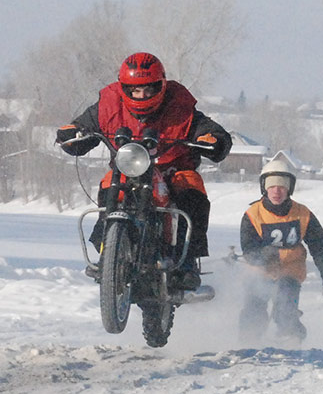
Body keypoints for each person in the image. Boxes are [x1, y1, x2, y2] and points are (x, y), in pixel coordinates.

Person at [56, 52, 232, 290]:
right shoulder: (108, 104)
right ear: (123, 88)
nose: (141, 95)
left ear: (161, 85)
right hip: (127, 169)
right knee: (109, 187)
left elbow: (207, 128)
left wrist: (213, 139)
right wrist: (72, 133)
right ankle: (107, 252)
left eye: (148, 89)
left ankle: (188, 259)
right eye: (134, 90)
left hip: (173, 168)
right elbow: (82, 126)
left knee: (192, 191)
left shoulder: (179, 105)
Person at [239, 160, 323, 343]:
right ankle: (247, 343)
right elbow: (248, 249)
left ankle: (291, 338)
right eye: (272, 185)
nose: (277, 191)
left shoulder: (302, 214)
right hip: (259, 272)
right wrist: (263, 256)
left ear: (290, 188)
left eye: (282, 185)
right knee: (253, 310)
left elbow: (321, 247)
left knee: (285, 306)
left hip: (289, 271)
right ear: (264, 187)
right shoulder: (252, 215)